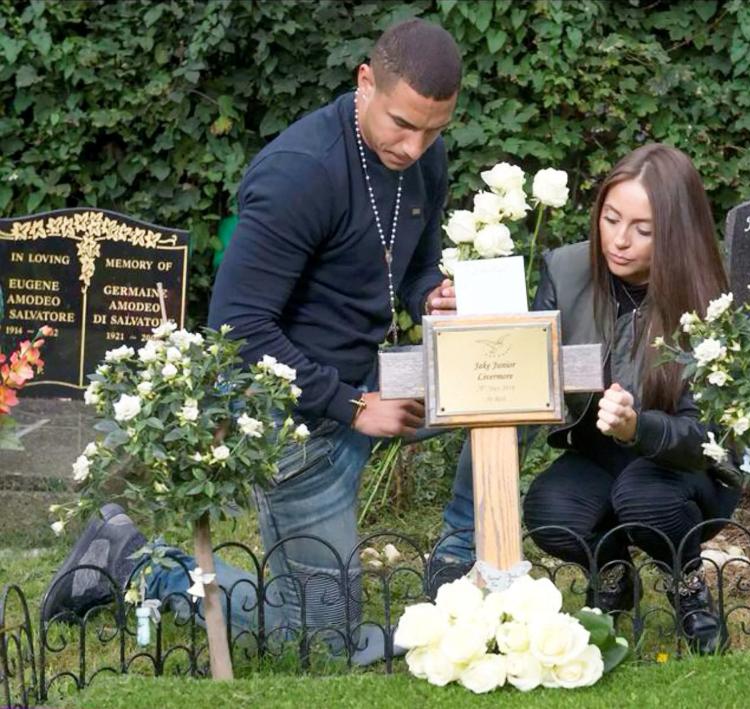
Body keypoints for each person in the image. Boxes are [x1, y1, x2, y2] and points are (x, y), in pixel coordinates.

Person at [42, 18, 463, 665]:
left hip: (374, 382)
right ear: (364, 83)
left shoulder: (422, 154)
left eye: (433, 129)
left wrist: (428, 291)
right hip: (292, 419)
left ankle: (459, 565)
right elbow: (237, 329)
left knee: (527, 392)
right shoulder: (301, 172)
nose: (415, 146)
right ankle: (134, 558)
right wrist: (350, 405)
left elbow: (409, 263)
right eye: (402, 125)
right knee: (323, 646)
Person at [439, 144, 742, 653]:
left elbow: (710, 437)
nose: (619, 241)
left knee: (644, 498)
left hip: (683, 468)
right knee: (550, 510)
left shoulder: (710, 299)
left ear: (676, 231)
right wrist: (471, 326)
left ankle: (686, 584)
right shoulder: (566, 270)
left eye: (643, 230)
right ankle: (613, 570)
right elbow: (526, 373)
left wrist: (637, 427)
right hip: (600, 455)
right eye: (611, 218)